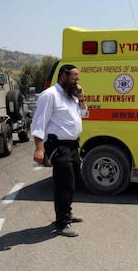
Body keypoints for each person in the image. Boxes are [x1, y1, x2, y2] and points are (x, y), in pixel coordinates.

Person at [31, 64, 87, 237]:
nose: (77, 82)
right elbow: (39, 123)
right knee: (64, 184)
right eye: (74, 78)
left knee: (73, 182)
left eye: (78, 79)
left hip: (72, 146)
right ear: (63, 75)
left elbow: (84, 114)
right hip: (58, 146)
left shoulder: (72, 95)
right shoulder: (49, 95)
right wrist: (39, 149)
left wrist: (82, 98)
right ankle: (62, 223)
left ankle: (66, 214)